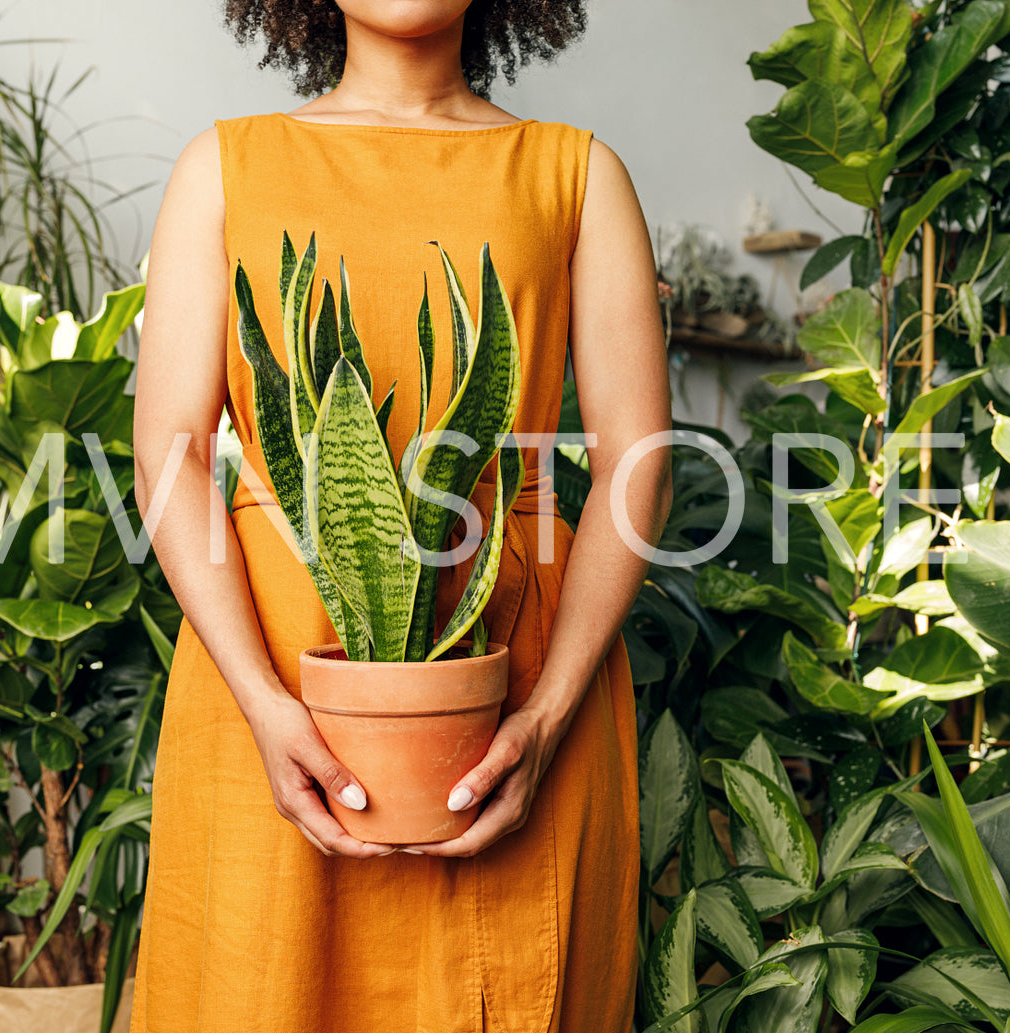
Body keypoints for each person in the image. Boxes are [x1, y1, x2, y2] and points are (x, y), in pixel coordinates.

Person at [129, 1, 672, 1029]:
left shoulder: (574, 173)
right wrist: (260, 700)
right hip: (271, 693)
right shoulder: (223, 168)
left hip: (511, 688)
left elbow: (634, 467)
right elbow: (172, 453)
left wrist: (546, 718)